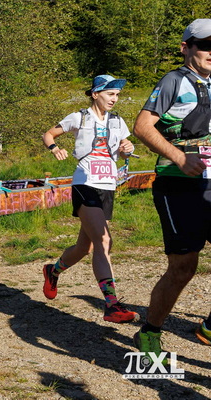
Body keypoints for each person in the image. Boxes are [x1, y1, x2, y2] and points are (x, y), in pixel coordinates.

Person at [133, 19, 211, 354]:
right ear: (186, 47)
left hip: (208, 183)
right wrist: (179, 157)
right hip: (177, 185)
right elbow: (142, 126)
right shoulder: (174, 81)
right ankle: (150, 331)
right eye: (205, 45)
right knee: (183, 267)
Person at [42, 74, 138, 324]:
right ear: (95, 94)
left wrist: (127, 149)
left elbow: (124, 147)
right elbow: (48, 135)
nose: (114, 99)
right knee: (104, 241)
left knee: (85, 247)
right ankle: (111, 305)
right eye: (110, 94)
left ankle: (53, 271)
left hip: (108, 186)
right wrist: (55, 148)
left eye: (117, 95)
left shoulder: (117, 121)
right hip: (85, 183)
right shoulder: (79, 117)